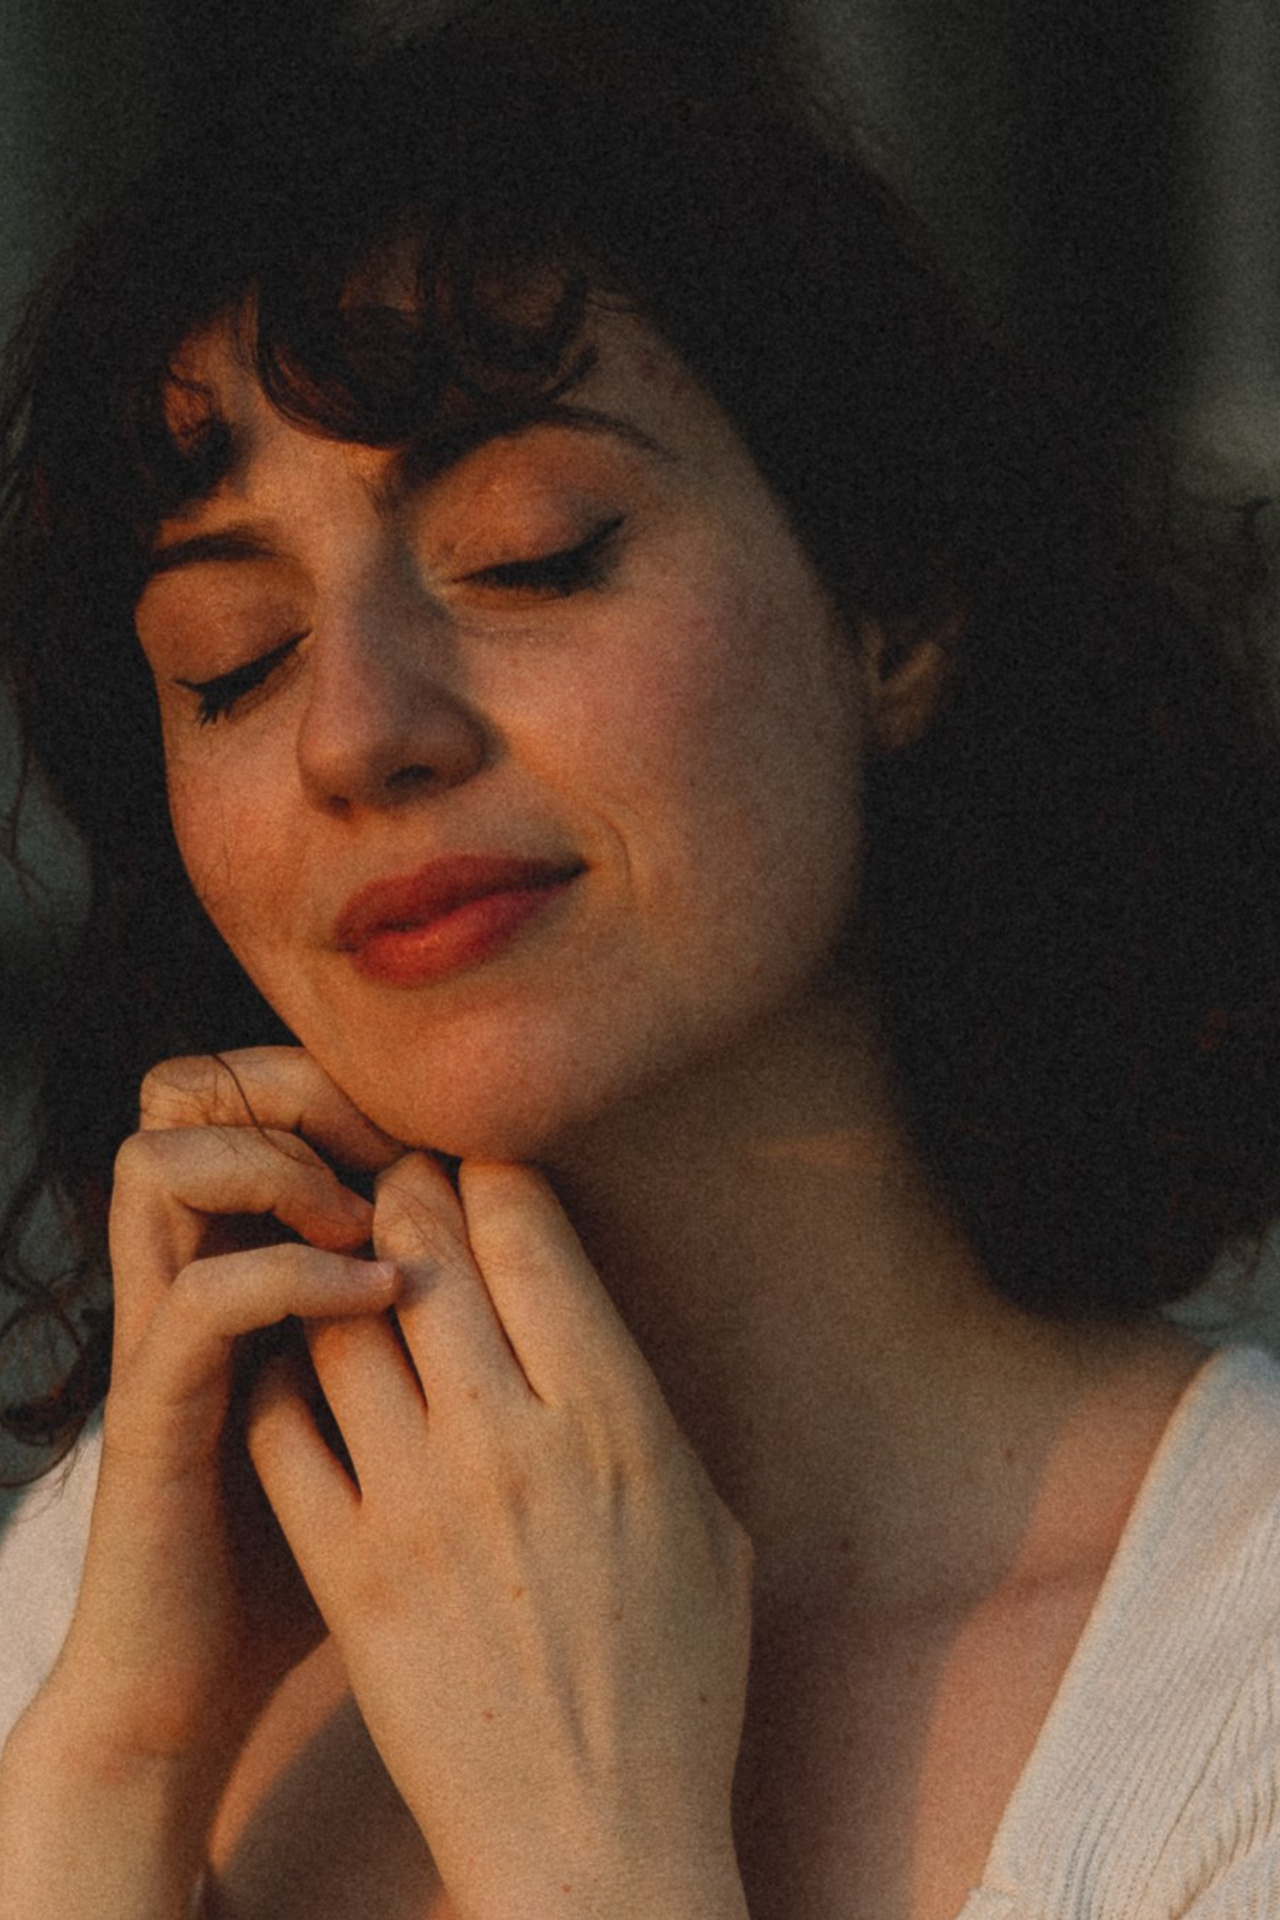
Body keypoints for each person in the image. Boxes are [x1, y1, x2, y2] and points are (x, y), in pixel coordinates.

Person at [1, 3, 1280, 1914]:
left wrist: (595, 1853)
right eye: (232, 662)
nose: (358, 732)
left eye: (532, 553)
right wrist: (110, 1775)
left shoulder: (1231, 1677)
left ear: (893, 612)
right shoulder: (96, 1613)